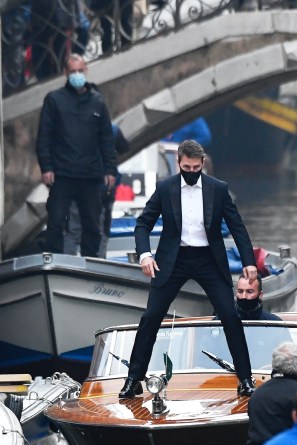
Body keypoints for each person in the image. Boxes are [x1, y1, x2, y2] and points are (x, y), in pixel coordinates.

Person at [119, 139, 257, 400]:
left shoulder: (218, 189)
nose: (191, 172)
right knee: (151, 317)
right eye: (187, 167)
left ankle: (246, 379)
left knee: (230, 315)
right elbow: (142, 224)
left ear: (203, 163)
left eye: (196, 167)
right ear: (178, 163)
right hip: (173, 258)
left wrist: (249, 261)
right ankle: (133, 379)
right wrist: (145, 255)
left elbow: (237, 226)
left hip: (209, 259)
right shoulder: (165, 188)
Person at [36, 53, 117, 257]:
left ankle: (91, 264)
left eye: (80, 71)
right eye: (73, 72)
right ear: (65, 73)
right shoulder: (54, 100)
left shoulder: (98, 102)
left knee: (92, 225)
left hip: (90, 175)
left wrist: (110, 170)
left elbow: (106, 139)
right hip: (62, 174)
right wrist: (46, 167)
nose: (77, 75)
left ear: (86, 71)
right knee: (55, 223)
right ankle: (52, 263)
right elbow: (44, 136)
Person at [63, 122, 130, 257]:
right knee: (99, 232)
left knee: (72, 231)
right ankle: (96, 268)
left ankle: (64, 266)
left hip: (77, 186)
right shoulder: (113, 130)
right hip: (102, 190)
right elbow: (124, 148)